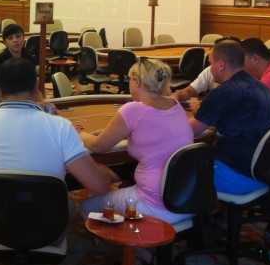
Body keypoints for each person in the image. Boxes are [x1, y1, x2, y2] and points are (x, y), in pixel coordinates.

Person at [0, 59, 113, 244]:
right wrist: (107, 173)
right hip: (49, 229)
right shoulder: (61, 127)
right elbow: (98, 185)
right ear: (36, 87)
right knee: (69, 204)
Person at [80, 58, 194, 224]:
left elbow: (99, 146)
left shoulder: (133, 109)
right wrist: (116, 133)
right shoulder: (175, 104)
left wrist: (80, 135)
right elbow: (154, 132)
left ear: (137, 82)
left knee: (86, 207)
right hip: (186, 198)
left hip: (155, 204)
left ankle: (132, 239)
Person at [189, 40, 270, 194]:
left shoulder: (222, 93)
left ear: (220, 64)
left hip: (239, 174)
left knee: (176, 172)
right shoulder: (261, 86)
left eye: (210, 63)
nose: (210, 69)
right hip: (267, 172)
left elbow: (188, 132)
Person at [0, 23, 34, 103]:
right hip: (5, 104)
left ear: (24, 38)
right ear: (5, 42)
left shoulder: (29, 58)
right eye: (10, 38)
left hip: (27, 103)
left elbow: (34, 89)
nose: (15, 40)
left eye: (18, 36)